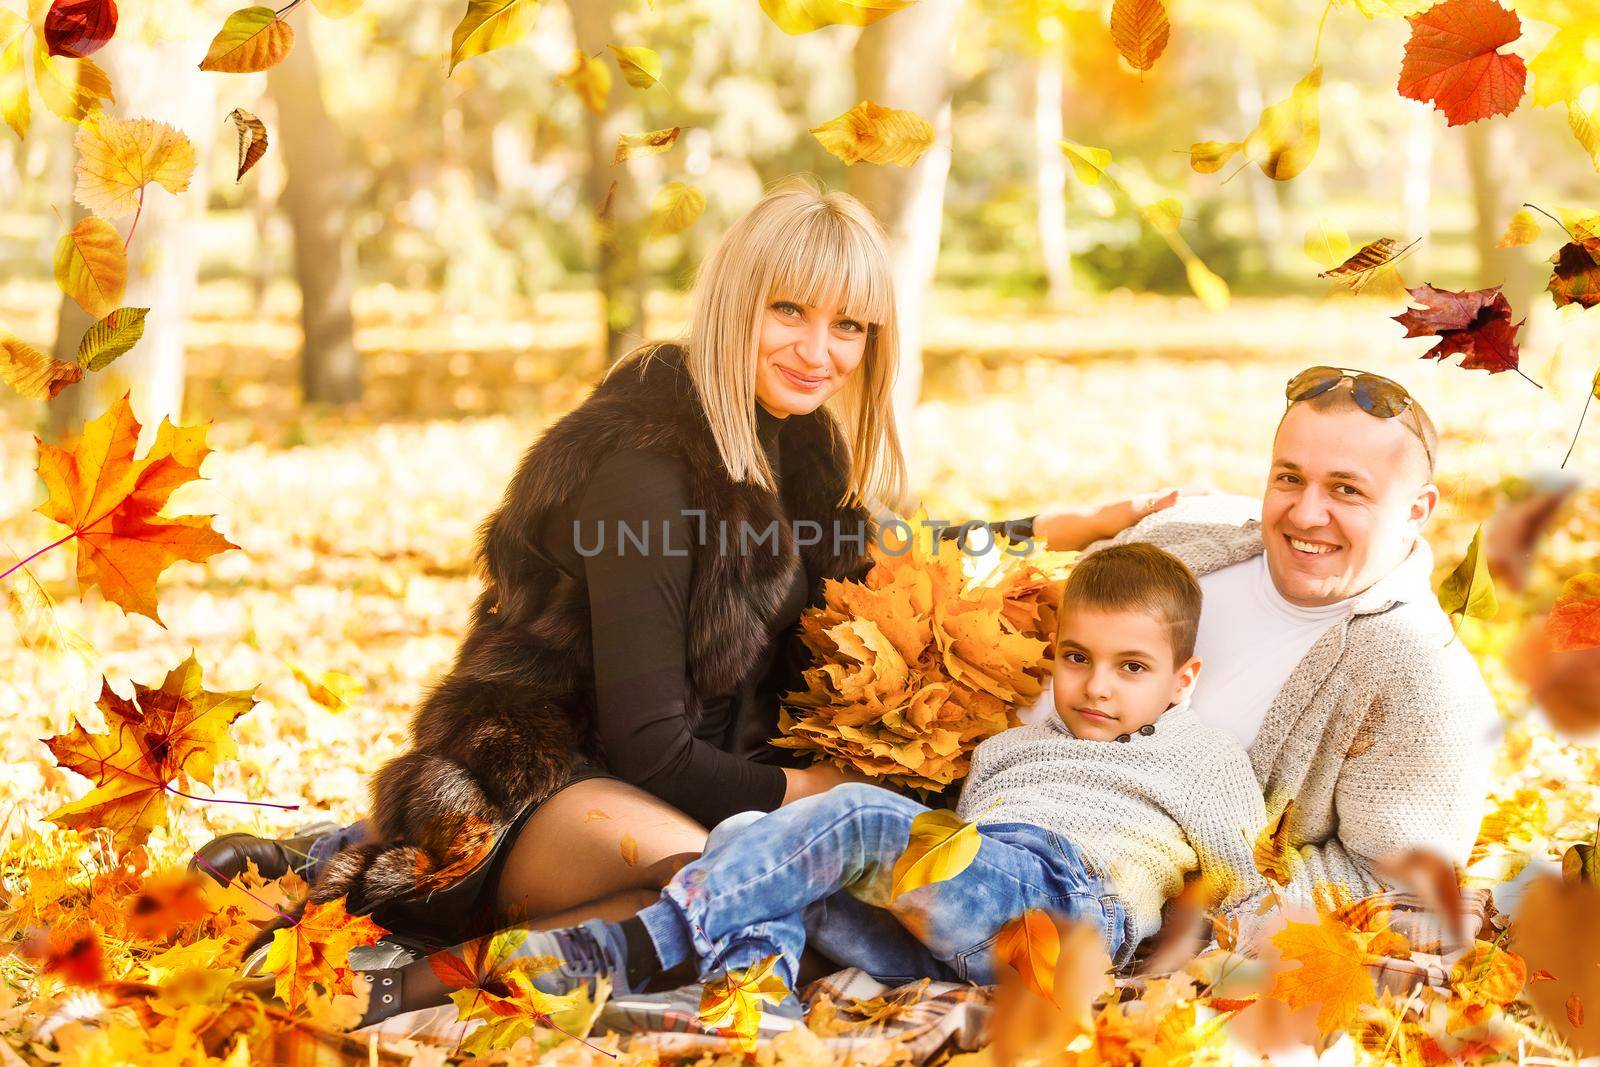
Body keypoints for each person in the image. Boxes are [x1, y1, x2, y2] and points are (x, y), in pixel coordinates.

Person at [196, 176, 1181, 965]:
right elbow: (651, 745)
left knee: (758, 891)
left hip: (650, 781)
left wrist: (1048, 527)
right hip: (525, 783)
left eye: (849, 325)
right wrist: (825, 790)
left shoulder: (793, 442)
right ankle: (358, 911)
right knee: (729, 881)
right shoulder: (642, 465)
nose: (818, 349)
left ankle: (372, 889)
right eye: (787, 310)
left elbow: (869, 552)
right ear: (733, 304)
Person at [302, 542, 1272, 1026]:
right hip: (963, 908)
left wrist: (1170, 973)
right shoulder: (1015, 747)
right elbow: (942, 855)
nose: (1096, 686)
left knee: (837, 814)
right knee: (756, 860)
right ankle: (750, 1002)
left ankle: (635, 940)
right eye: (1075, 656)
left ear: (1181, 679)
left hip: (1068, 907)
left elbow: (1234, 882)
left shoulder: (1196, 756)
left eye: (1130, 667)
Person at [1086, 365, 1500, 935]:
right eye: (1288, 478)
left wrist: (1201, 911)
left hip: (1092, 899)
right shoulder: (1183, 538)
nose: (1305, 514)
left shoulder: (1423, 680)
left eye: (1345, 489)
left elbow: (1394, 884)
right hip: (980, 801)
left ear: (1416, 510)